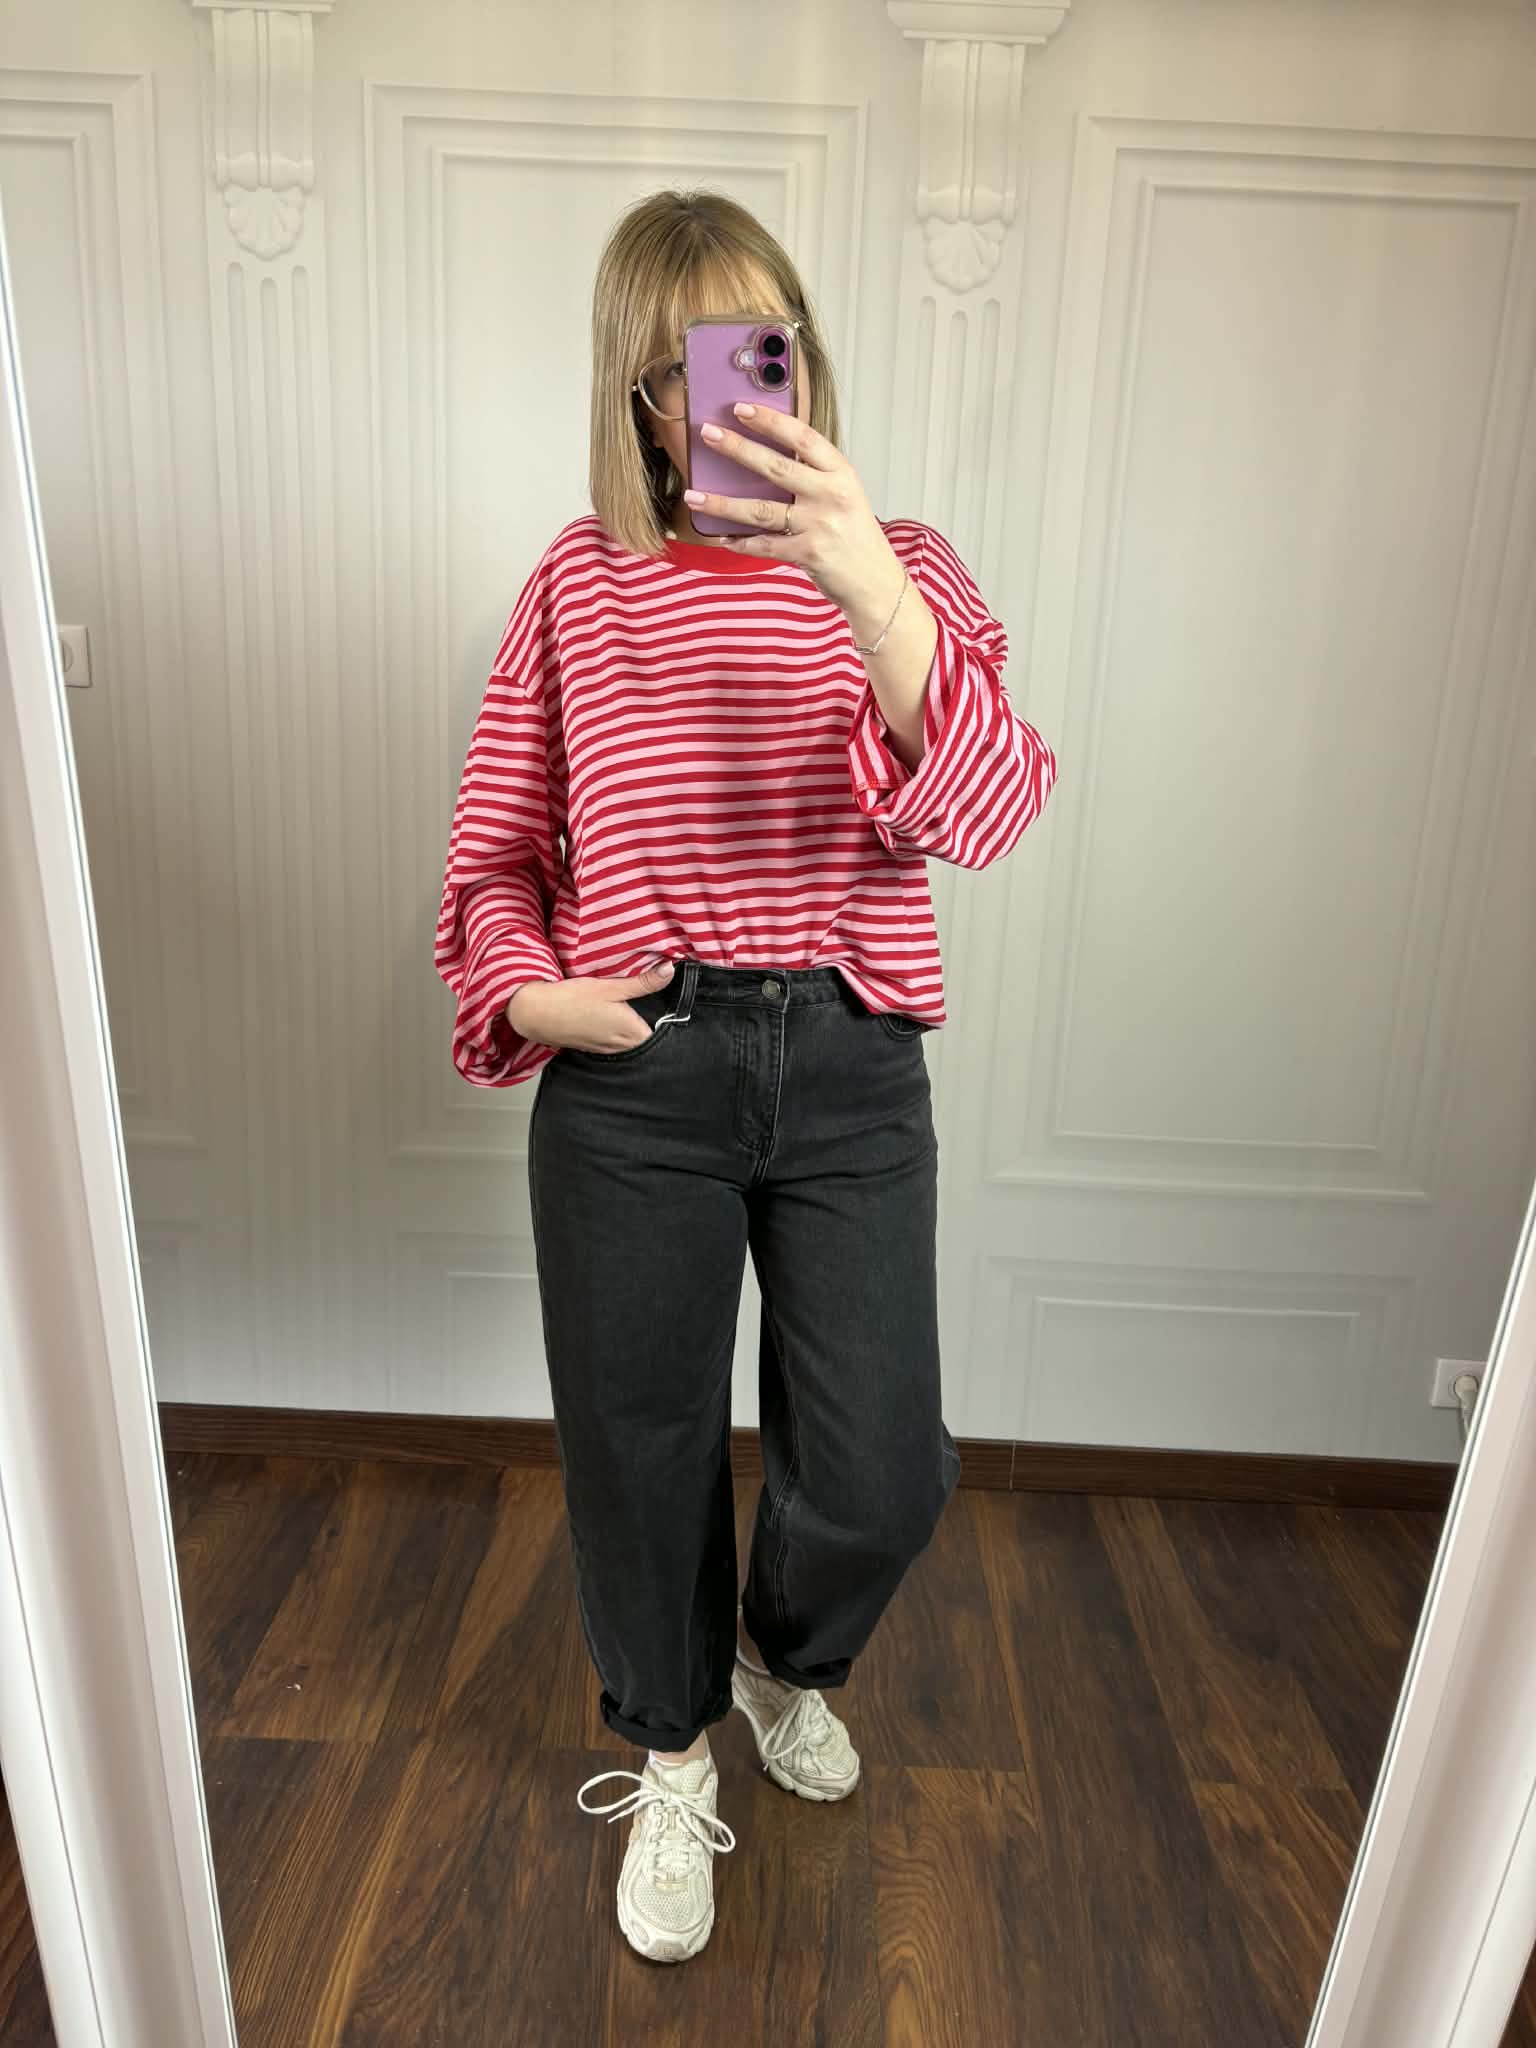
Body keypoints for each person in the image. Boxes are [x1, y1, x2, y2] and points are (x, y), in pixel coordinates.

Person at [433, 188, 1058, 1965]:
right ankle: (671, 1751)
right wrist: (538, 995)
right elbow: (492, 859)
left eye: (759, 342)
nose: (731, 390)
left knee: (882, 1470)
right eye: (686, 362)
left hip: (852, 1064)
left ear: (798, 355)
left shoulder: (903, 566)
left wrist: (868, 587)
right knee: (640, 1453)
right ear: (642, 400)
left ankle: (782, 1660)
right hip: (644, 1071)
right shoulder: (579, 582)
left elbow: (992, 810)